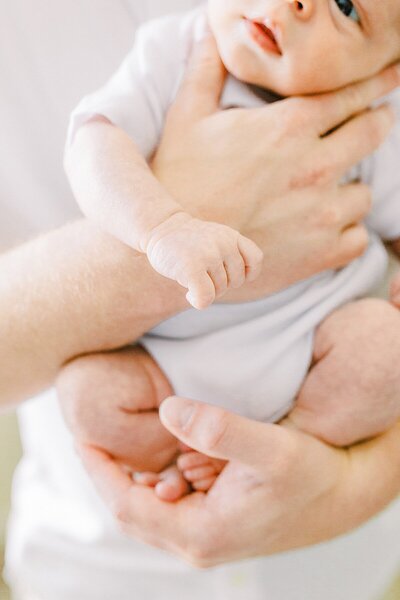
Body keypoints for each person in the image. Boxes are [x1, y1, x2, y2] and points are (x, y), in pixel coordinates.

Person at [2, 2, 400, 599]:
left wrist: (357, 481)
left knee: (383, 352)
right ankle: (187, 461)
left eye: (347, 7)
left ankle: (291, 449)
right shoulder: (177, 48)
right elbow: (95, 144)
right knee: (90, 395)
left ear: (386, 66)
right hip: (163, 377)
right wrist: (162, 227)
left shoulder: (372, 116)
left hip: (314, 354)